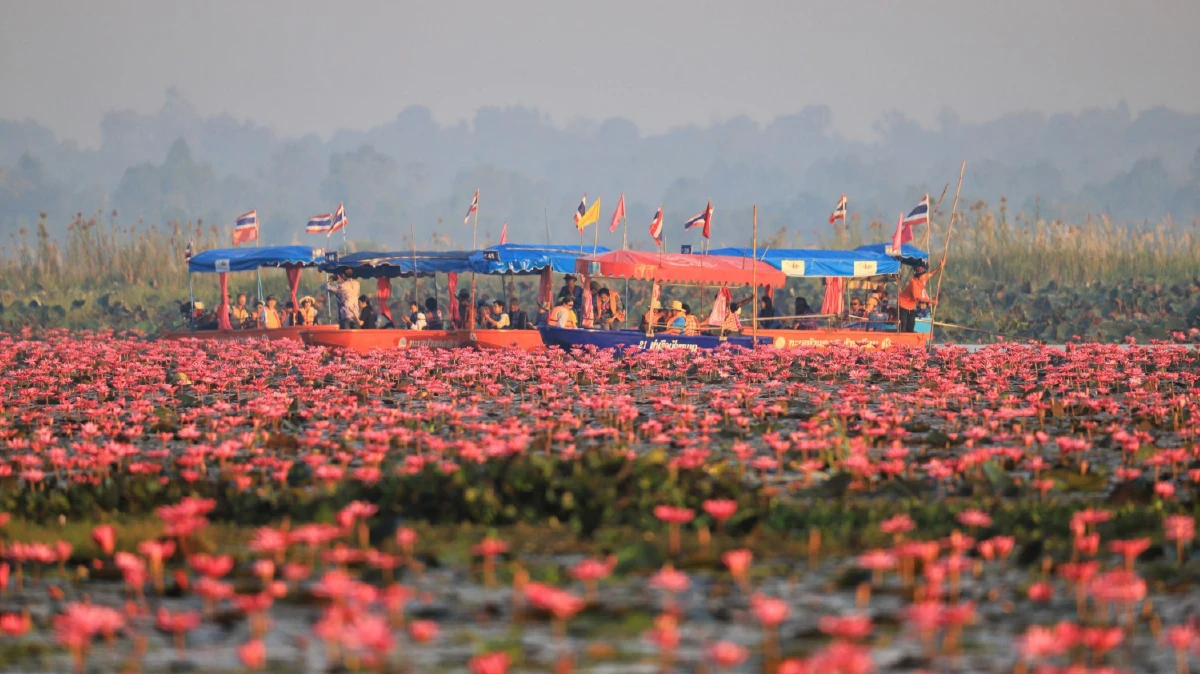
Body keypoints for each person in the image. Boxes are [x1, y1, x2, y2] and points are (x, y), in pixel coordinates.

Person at [899, 262, 942, 332]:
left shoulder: (922, 279)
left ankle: (909, 340)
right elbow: (918, 298)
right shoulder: (914, 283)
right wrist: (932, 301)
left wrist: (939, 268)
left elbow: (931, 274)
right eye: (923, 275)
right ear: (919, 276)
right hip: (903, 304)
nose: (925, 277)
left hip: (911, 306)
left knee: (911, 324)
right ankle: (902, 340)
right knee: (903, 324)